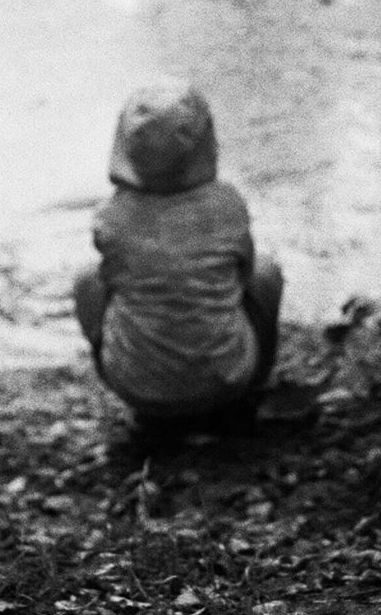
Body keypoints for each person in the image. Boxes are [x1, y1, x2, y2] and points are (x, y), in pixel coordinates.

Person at [73, 80, 282, 425]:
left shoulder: (111, 218)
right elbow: (243, 279)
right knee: (266, 273)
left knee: (88, 281)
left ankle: (133, 374)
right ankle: (257, 381)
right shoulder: (227, 205)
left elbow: (111, 285)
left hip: (138, 390)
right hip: (228, 384)